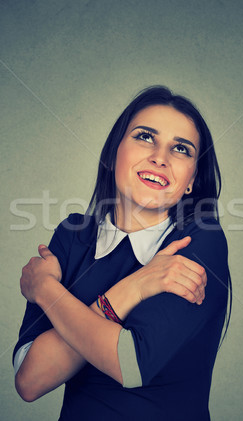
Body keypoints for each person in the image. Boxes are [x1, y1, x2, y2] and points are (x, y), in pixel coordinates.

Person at [14, 85, 232, 420]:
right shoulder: (74, 236)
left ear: (191, 180)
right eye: (145, 137)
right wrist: (137, 285)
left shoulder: (198, 241)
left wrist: (46, 289)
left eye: (181, 149)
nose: (160, 157)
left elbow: (130, 363)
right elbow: (30, 380)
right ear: (115, 151)